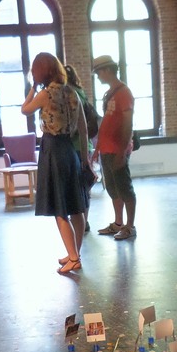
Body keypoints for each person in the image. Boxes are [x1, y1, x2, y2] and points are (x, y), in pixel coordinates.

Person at [21, 53, 89, 275]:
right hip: (70, 150)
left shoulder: (45, 94)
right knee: (76, 206)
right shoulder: (72, 93)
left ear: (41, 72)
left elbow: (24, 109)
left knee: (60, 209)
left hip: (52, 149)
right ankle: (74, 253)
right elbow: (84, 129)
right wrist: (85, 159)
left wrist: (32, 88)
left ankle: (74, 258)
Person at [91, 55, 137, 240]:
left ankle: (130, 226)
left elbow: (127, 124)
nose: (98, 76)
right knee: (112, 189)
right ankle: (118, 223)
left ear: (108, 70)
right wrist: (98, 149)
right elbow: (107, 123)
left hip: (117, 150)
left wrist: (121, 151)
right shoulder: (110, 93)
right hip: (107, 149)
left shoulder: (124, 93)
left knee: (125, 189)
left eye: (98, 72)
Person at [64, 64, 97, 232]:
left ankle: (78, 221)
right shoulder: (81, 92)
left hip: (74, 146)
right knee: (84, 186)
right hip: (87, 145)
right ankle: (85, 220)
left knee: (75, 188)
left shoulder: (68, 94)